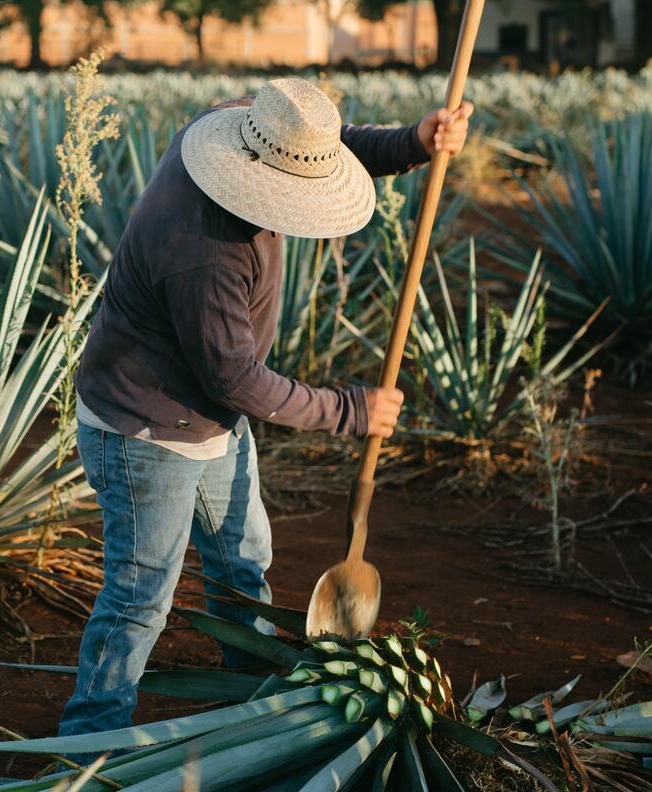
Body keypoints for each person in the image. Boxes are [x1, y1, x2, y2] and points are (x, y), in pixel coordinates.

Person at [60, 77, 472, 737]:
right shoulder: (205, 254)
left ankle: (250, 706)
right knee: (140, 597)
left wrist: (409, 144)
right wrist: (349, 411)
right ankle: (87, 742)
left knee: (242, 561)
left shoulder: (236, 128)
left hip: (207, 422)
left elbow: (324, 146)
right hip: (145, 431)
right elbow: (236, 380)